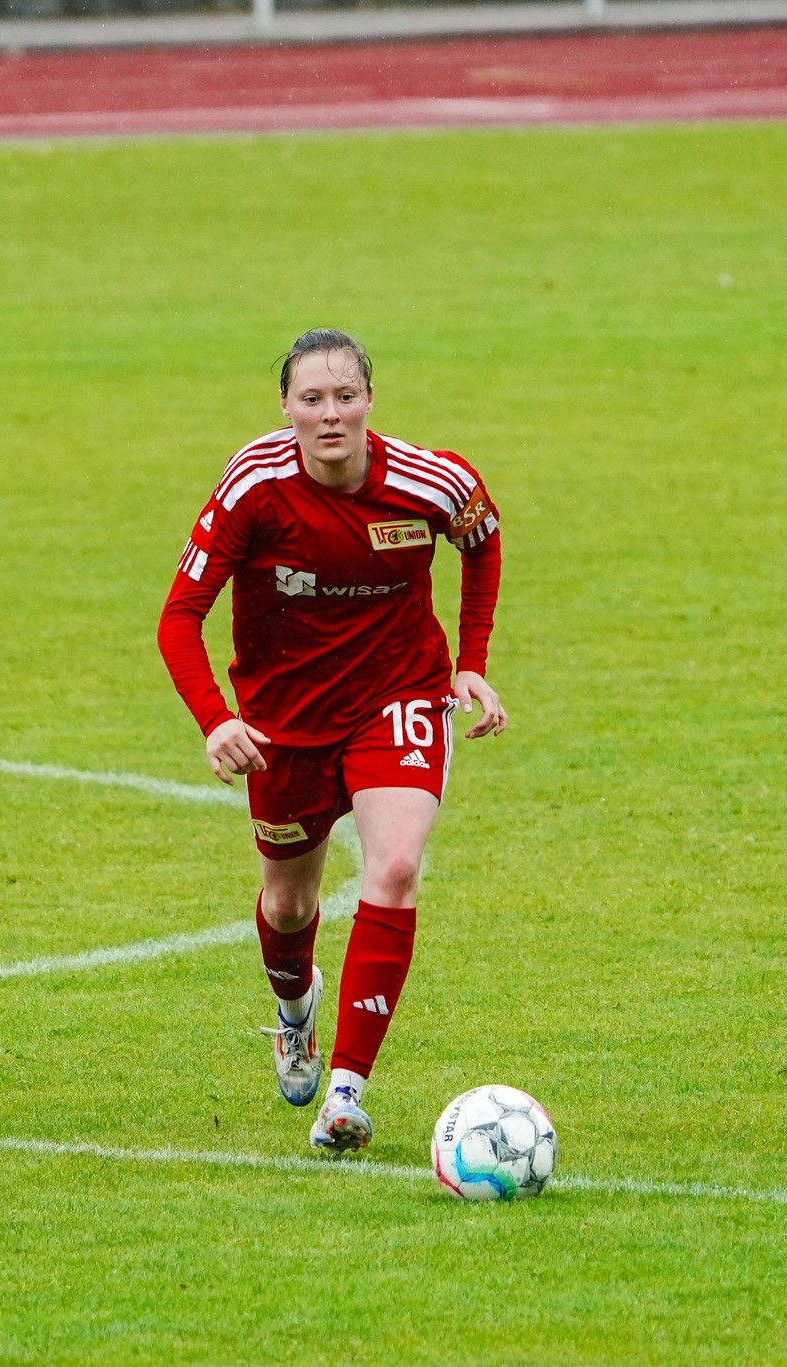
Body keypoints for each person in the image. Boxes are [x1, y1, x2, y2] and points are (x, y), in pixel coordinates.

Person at [157, 328, 507, 1153]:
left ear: (370, 400)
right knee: (288, 904)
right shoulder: (254, 487)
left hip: (398, 697)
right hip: (284, 725)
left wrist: (471, 663)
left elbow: (482, 542)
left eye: (345, 395)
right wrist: (219, 719)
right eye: (311, 399)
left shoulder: (432, 479)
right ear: (285, 408)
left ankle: (346, 1091)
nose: (330, 414)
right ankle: (294, 1011)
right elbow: (179, 617)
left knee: (393, 867)